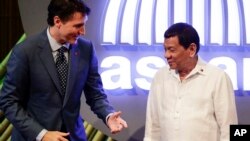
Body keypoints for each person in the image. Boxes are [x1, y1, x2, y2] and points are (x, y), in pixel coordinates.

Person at [0, 0, 128, 141]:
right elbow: (8, 101)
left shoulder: (86, 49)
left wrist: (108, 115)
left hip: (73, 137)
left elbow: (95, 94)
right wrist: (42, 134)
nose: (83, 32)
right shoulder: (25, 51)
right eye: (78, 26)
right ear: (58, 21)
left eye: (83, 25)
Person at [143, 22, 237, 141]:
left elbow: (228, 128)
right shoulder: (160, 76)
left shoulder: (217, 78)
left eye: (171, 50)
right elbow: (152, 126)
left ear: (192, 49)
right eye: (165, 49)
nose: (166, 55)